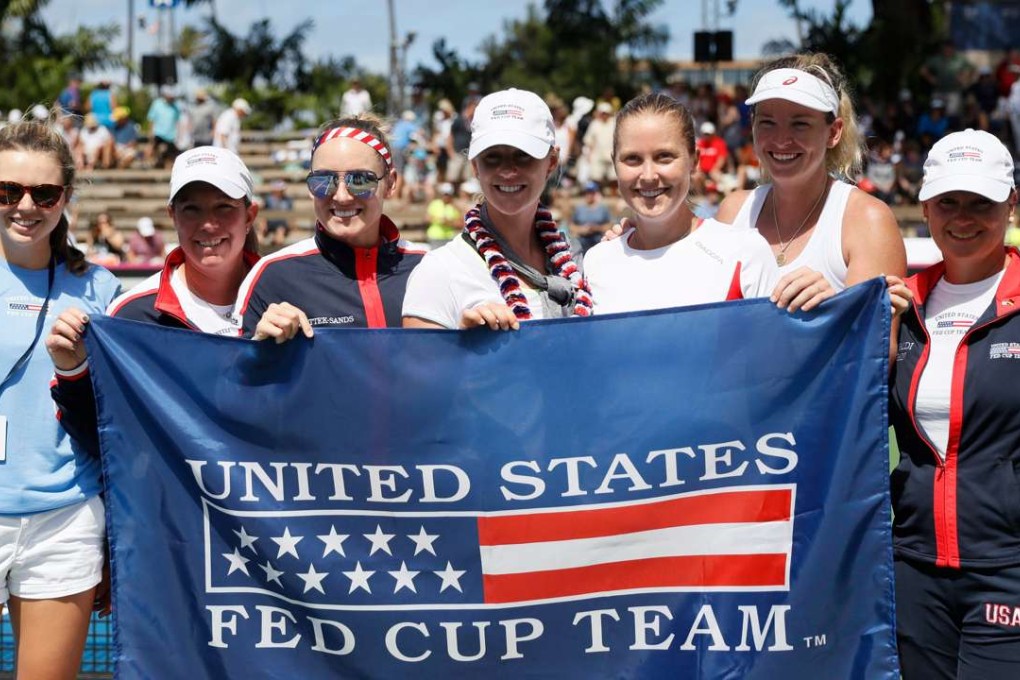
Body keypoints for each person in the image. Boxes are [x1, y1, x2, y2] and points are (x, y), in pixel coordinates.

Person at [888, 129, 1020, 679]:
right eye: (949, 202)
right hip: (914, 567)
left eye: (980, 203)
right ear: (924, 206)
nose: (963, 218)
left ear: (1011, 204)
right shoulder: (897, 303)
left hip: (1008, 568)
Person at [48, 146, 261, 462]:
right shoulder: (132, 314)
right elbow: (101, 436)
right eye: (192, 209)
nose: (208, 224)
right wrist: (73, 370)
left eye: (224, 206)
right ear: (172, 216)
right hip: (177, 508)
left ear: (250, 215)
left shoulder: (286, 297)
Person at [0, 118, 120, 680]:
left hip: (64, 518)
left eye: (43, 193)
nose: (26, 206)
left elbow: (117, 415)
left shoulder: (100, 290)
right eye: (8, 191)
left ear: (65, 197)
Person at [584, 93, 830, 315]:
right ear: (614, 164)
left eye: (664, 157)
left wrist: (821, 308)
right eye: (632, 159)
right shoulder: (596, 262)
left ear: (695, 161)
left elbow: (782, 355)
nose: (648, 175)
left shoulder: (744, 252)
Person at [715, 53, 906, 297]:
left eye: (800, 124)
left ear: (834, 132)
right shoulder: (733, 211)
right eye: (767, 122)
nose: (782, 139)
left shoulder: (867, 220)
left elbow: (877, 335)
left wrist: (830, 311)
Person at [402, 88, 592, 331]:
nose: (507, 171)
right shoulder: (439, 271)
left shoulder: (579, 259)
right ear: (475, 166)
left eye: (523, 155)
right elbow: (418, 367)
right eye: (492, 157)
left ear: (551, 162)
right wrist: (463, 349)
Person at [235, 115, 426, 341]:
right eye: (323, 181)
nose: (342, 196)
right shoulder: (273, 275)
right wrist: (257, 349)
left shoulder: (428, 268)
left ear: (391, 183)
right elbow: (238, 374)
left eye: (361, 180)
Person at [570, 180, 612, 254]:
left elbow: (610, 225)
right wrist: (581, 229)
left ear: (595, 193)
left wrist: (597, 228)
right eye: (587, 192)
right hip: (582, 242)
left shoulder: (602, 208)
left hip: (598, 242)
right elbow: (572, 226)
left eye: (591, 192)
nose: (589, 195)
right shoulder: (579, 208)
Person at [146, 86, 181, 169]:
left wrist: (178, 135)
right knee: (151, 148)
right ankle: (147, 166)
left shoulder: (176, 107)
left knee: (170, 156)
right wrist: (150, 132)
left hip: (170, 135)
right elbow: (151, 119)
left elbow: (177, 122)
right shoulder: (156, 104)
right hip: (158, 133)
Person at [425, 181, 462, 248]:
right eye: (444, 194)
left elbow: (460, 223)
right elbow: (427, 218)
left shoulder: (454, 206)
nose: (446, 196)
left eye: (447, 194)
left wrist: (449, 222)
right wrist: (440, 220)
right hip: (435, 237)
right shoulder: (435, 203)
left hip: (448, 237)